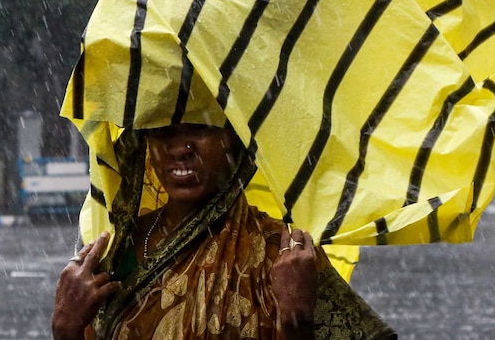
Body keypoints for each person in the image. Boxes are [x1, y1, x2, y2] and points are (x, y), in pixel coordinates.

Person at [52, 123, 397, 339]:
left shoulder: (282, 254)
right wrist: (65, 330)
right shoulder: (114, 253)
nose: (179, 148)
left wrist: (298, 326)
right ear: (144, 146)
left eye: (199, 128)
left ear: (232, 138)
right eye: (163, 132)